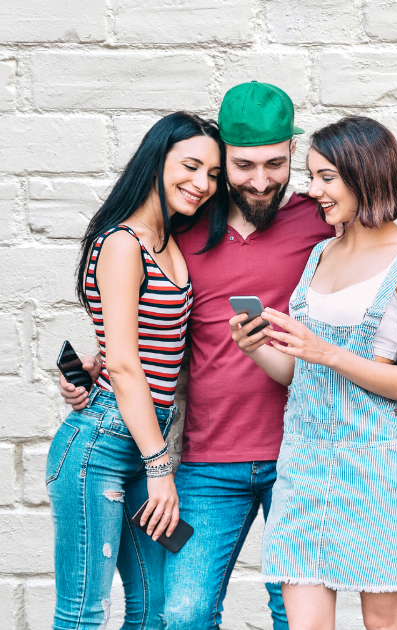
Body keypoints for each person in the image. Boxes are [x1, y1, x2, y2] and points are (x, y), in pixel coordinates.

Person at [58, 82, 397, 630]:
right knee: (184, 612)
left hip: (301, 457)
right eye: (242, 166)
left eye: (274, 164)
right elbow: (146, 323)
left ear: (291, 152)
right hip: (205, 458)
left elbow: (379, 236)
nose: (261, 180)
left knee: (293, 613)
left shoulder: (322, 221)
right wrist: (98, 369)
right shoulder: (184, 228)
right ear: (223, 160)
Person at [231, 116, 397, 630]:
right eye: (312, 176)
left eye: (326, 177)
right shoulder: (321, 252)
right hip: (302, 459)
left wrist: (327, 352)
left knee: (385, 620)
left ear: (363, 174)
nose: (313, 190)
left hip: (373, 462)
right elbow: (297, 374)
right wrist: (256, 347)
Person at [47, 112, 225, 629]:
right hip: (102, 446)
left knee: (155, 610)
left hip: (147, 436)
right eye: (190, 166)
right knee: (84, 613)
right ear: (156, 160)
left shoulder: (171, 239)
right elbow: (126, 367)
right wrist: (161, 466)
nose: (202, 184)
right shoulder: (123, 243)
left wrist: (93, 363)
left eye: (212, 175)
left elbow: (142, 346)